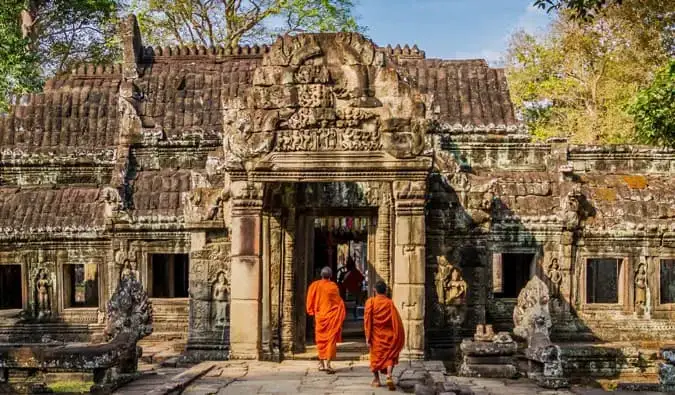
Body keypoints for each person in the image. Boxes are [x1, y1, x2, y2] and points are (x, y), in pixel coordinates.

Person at [364, 281, 405, 390]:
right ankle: (389, 375)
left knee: (375, 358)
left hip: (376, 335)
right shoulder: (389, 303)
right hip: (389, 335)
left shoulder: (371, 302)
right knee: (390, 355)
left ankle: (377, 380)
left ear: (374, 290)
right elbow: (395, 321)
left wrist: (368, 336)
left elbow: (367, 321)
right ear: (385, 291)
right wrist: (398, 334)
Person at [306, 266, 346, 374]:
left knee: (320, 340)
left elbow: (309, 301)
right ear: (331, 276)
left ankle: (321, 363)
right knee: (330, 340)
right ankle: (328, 363)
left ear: (321, 275)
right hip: (331, 317)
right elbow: (338, 302)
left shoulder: (314, 286)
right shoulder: (333, 287)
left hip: (320, 317)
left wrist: (311, 312)